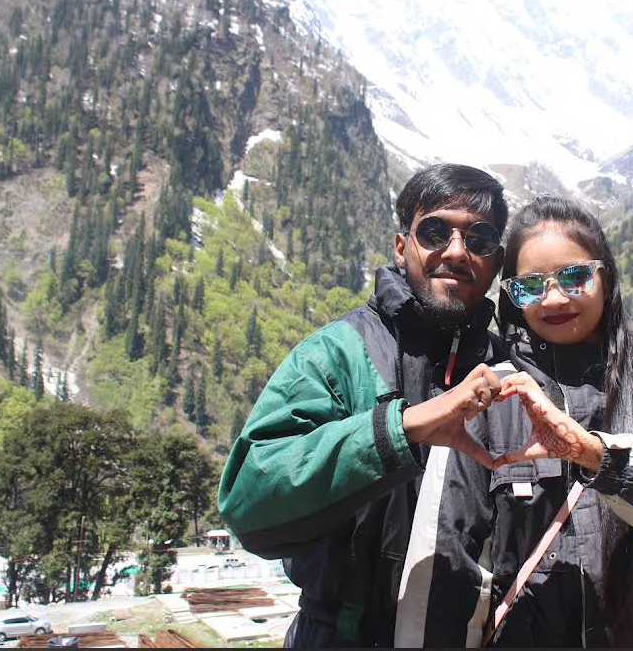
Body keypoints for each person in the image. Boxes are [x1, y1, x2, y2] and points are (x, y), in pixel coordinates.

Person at [394, 196, 633, 647]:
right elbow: (443, 573)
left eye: (575, 277)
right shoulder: (486, 403)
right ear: (513, 297)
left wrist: (596, 457)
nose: (553, 298)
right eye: (529, 286)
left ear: (606, 279)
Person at [218, 163, 511, 646]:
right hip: (339, 635)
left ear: (496, 262)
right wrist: (400, 431)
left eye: (479, 239)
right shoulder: (337, 352)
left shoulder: (510, 375)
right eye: (435, 232)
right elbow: (248, 501)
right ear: (401, 247)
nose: (457, 251)